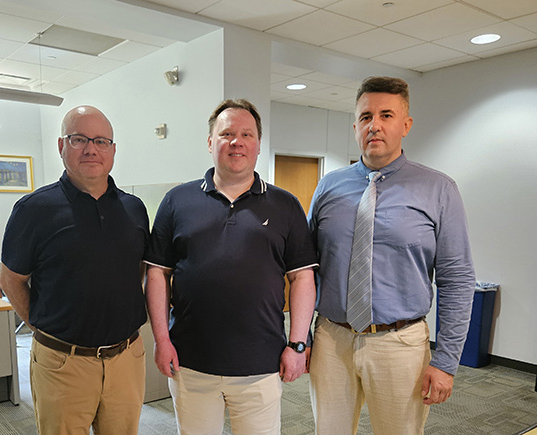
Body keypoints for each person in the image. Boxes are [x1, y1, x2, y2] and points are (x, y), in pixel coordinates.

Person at [308, 77, 475, 435]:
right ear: (355, 126)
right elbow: (306, 269)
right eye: (366, 116)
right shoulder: (328, 187)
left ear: (406, 125)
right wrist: (300, 337)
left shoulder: (438, 189)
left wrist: (445, 362)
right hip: (331, 339)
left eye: (386, 115)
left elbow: (457, 278)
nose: (375, 125)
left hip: (400, 345)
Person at [145, 99, 317, 434]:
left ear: (257, 145)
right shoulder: (177, 201)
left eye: (245, 134)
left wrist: (297, 344)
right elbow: (157, 274)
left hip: (261, 364)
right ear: (211, 142)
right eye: (226, 134)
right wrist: (161, 339)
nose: (236, 142)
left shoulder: (285, 204)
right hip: (190, 362)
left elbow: (302, 278)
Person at [0, 105, 149, 435]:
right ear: (61, 146)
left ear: (113, 150)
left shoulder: (134, 210)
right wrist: (39, 322)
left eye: (101, 141)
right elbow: (11, 280)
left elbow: (135, 269)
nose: (91, 149)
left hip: (126, 359)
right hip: (62, 363)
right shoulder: (33, 210)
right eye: (79, 139)